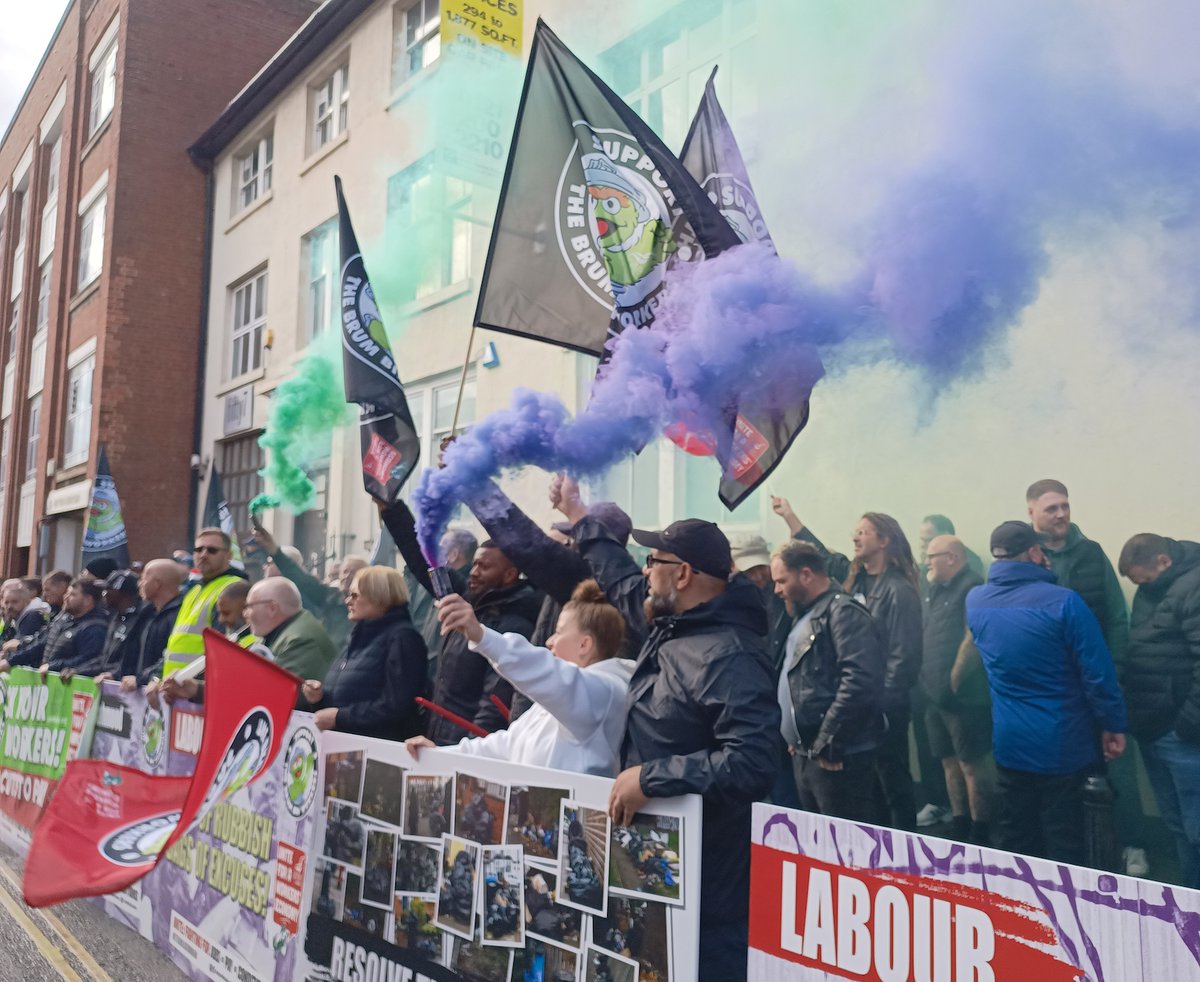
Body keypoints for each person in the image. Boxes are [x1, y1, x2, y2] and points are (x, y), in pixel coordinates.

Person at [609, 519, 778, 982]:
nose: (645, 573)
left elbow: (753, 761)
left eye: (653, 562)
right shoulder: (674, 630)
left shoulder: (728, 653)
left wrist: (650, 778)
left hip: (709, 889)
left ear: (683, 575)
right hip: (663, 870)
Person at [967, 521, 1128, 865]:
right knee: (1066, 843)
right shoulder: (1064, 602)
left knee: (1020, 837)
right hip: (1064, 744)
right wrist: (1113, 725)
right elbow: (1098, 674)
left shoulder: (976, 601)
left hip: (1010, 742)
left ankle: (1023, 913)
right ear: (1034, 553)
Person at [1026, 478, 1143, 871]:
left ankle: (1133, 844)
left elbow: (1116, 616)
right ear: (1031, 513)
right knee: (1065, 772)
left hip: (1099, 682)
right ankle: (1074, 855)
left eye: (1064, 506)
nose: (1061, 514)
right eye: (1051, 508)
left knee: (1116, 762)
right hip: (1052, 690)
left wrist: (1115, 670)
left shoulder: (1092, 553)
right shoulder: (1024, 558)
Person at [406, 580, 633, 775]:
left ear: (585, 644)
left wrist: (482, 635)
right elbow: (506, 745)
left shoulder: (604, 692)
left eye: (560, 632)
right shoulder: (567, 698)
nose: (549, 641)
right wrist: (438, 755)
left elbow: (542, 669)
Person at [385, 501, 543, 743]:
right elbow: (424, 562)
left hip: (466, 750)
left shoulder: (515, 627)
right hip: (440, 740)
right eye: (475, 564)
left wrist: (461, 756)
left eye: (485, 566)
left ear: (510, 575)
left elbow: (493, 706)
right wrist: (390, 508)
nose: (474, 572)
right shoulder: (468, 603)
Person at [771, 540, 885, 821]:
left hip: (837, 756)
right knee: (819, 844)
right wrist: (796, 738)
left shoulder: (843, 612)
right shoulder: (807, 614)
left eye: (782, 580)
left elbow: (859, 681)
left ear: (806, 574)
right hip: (807, 752)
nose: (777, 589)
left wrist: (827, 741)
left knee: (846, 848)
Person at [1118, 532, 1200, 887]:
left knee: (1195, 827)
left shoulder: (1193, 587)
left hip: (1179, 730)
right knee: (1176, 823)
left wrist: (1188, 723)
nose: (1140, 587)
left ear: (1163, 562)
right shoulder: (1153, 588)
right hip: (1152, 726)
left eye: (1143, 579)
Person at [837, 512, 924, 831]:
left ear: (885, 540)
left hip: (884, 706)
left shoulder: (899, 589)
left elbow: (905, 655)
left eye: (864, 532)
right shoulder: (854, 583)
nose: (855, 537)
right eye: (855, 531)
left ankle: (903, 854)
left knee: (893, 782)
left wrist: (882, 705)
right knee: (868, 784)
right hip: (861, 703)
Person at [921, 536, 994, 844]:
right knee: (948, 762)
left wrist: (953, 680)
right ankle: (961, 822)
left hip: (964, 698)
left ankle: (981, 830)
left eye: (931, 556)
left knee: (972, 766)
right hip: (934, 697)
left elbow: (973, 637)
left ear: (951, 557)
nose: (926, 562)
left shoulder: (973, 587)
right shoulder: (935, 590)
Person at [300, 566, 427, 739]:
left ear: (379, 597)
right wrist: (319, 698)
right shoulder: (357, 636)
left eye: (354, 595)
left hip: (377, 752)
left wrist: (339, 717)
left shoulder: (402, 638)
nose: (347, 601)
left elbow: (397, 705)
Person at [252, 523, 364, 651]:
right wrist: (275, 552)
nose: (348, 576)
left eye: (354, 572)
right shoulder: (332, 597)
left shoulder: (372, 608)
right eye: (345, 571)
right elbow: (304, 581)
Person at [163, 527, 247, 677]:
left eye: (212, 550)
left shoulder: (234, 588)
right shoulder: (193, 590)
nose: (203, 555)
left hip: (199, 688)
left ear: (229, 555)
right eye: (198, 549)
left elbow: (223, 647)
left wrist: (195, 684)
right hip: (176, 686)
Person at [243, 578, 337, 684]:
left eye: (249, 607)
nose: (245, 614)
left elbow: (281, 690)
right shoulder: (284, 631)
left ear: (272, 608)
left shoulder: (300, 640)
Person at [121, 558, 186, 688]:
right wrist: (115, 675)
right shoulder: (145, 614)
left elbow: (168, 656)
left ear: (157, 584)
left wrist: (142, 679)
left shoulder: (180, 615)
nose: (139, 584)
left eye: (143, 579)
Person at [42, 579, 110, 675]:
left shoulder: (95, 628)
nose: (65, 597)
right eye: (67, 593)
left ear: (88, 600)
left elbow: (89, 659)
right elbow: (43, 643)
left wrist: (55, 666)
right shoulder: (63, 620)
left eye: (72, 594)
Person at [97, 570, 149, 677]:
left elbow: (132, 660)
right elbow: (104, 659)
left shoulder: (141, 619)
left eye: (108, 590)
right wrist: (78, 669)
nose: (104, 594)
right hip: (107, 681)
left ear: (122, 593)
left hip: (126, 686)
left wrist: (114, 674)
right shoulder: (115, 617)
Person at [0, 580, 50, 671]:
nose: (9, 606)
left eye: (15, 602)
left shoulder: (32, 618)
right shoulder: (13, 620)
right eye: (6, 603)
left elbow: (26, 650)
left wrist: (8, 659)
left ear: (26, 602)